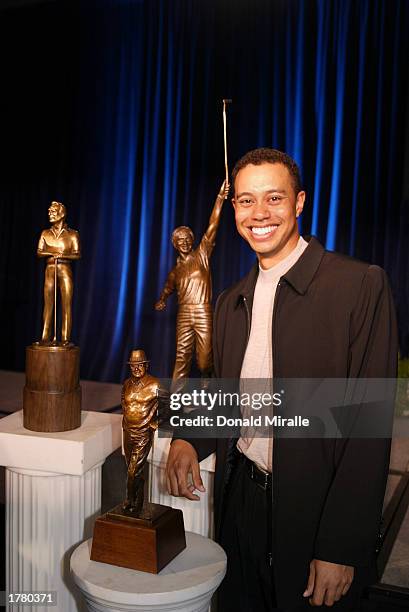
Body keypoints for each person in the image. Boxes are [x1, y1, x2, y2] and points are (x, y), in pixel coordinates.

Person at [166, 148, 398, 611]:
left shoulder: (359, 286)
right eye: (246, 201)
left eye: (274, 198)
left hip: (313, 515)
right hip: (241, 505)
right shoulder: (232, 300)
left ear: (300, 203)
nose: (259, 214)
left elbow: (368, 429)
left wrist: (340, 545)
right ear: (234, 210)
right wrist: (187, 436)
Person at [155, 180, 230, 381]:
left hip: (203, 310)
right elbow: (168, 288)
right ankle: (177, 400)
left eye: (188, 238)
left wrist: (220, 198)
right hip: (184, 313)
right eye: (180, 240)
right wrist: (162, 299)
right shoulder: (175, 271)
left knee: (204, 360)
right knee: (181, 357)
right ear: (174, 244)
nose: (185, 242)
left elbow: (213, 225)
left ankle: (208, 382)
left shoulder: (202, 255)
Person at [121, 349, 160, 515]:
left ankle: (129, 498)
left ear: (146, 365)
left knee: (132, 472)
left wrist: (155, 423)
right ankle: (138, 502)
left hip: (143, 434)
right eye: (133, 365)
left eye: (140, 365)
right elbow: (124, 402)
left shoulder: (155, 384)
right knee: (134, 469)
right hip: (128, 431)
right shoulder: (126, 384)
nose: (136, 368)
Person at [37, 201, 81, 345]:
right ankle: (45, 337)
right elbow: (39, 252)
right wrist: (54, 253)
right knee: (48, 304)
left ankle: (65, 338)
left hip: (65, 269)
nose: (50, 214)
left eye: (53, 212)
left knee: (66, 304)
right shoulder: (45, 233)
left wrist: (62, 256)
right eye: (49, 212)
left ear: (61, 214)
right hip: (50, 269)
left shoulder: (73, 234)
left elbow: (77, 254)